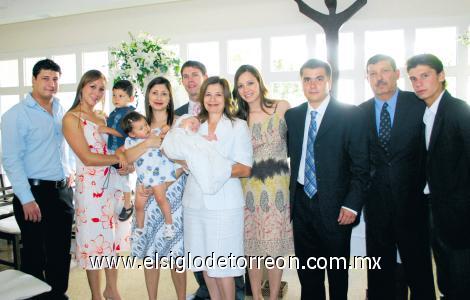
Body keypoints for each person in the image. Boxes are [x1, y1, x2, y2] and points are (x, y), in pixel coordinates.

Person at [284, 58, 369, 300]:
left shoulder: (351, 115)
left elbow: (362, 167)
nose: (313, 85)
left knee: (337, 274)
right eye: (307, 79)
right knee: (308, 274)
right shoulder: (294, 116)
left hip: (337, 206)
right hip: (301, 203)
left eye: (319, 78)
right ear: (301, 82)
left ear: (329, 82)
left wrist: (352, 203)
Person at [360, 54, 435, 299]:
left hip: (414, 204)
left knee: (419, 271)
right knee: (380, 272)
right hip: (377, 206)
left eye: (384, 71)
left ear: (396, 74)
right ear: (368, 78)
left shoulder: (419, 104)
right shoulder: (359, 113)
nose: (379, 78)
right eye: (373, 73)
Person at [1, 59, 74, 299]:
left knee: (61, 254)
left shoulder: (61, 109)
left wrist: (70, 169)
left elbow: (67, 146)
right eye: (45, 78)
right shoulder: (15, 115)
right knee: (35, 257)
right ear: (33, 79)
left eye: (55, 79)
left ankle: (58, 295)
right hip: (34, 195)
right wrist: (26, 199)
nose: (51, 84)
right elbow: (11, 160)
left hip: (62, 192)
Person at [176, 60, 245, 300]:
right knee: (203, 260)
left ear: (226, 98)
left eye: (218, 94)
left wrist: (215, 168)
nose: (213, 99)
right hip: (194, 203)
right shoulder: (195, 126)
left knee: (223, 266)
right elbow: (180, 157)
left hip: (224, 205)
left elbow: (245, 168)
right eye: (209, 95)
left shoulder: (238, 126)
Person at [62, 70, 131, 300]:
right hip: (90, 190)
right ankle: (96, 295)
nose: (97, 92)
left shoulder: (103, 117)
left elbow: (114, 149)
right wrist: (118, 159)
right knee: (94, 242)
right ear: (81, 87)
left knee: (110, 241)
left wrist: (125, 164)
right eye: (92, 86)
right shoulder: (72, 118)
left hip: (111, 186)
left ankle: (112, 289)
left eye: (101, 89)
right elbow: (87, 157)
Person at [407, 53, 470, 299]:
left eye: (425, 76)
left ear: (441, 76)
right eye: (413, 79)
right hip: (434, 207)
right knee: (445, 274)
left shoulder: (458, 110)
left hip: (459, 213)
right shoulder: (426, 113)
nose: (419, 83)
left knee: (462, 277)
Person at [233, 64, 294, 300]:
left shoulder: (282, 107)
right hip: (248, 189)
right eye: (240, 86)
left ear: (259, 82)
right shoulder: (237, 120)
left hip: (278, 186)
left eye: (250, 82)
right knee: (253, 246)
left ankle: (274, 294)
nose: (246, 89)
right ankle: (256, 295)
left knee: (274, 247)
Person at [124, 76, 187, 300]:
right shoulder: (138, 125)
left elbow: (186, 162)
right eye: (154, 93)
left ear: (170, 98)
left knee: (176, 254)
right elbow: (128, 158)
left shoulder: (180, 123)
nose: (159, 98)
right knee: (151, 253)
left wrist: (165, 182)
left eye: (164, 93)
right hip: (145, 195)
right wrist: (147, 143)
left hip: (173, 194)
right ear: (148, 97)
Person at [121, 111, 177, 242]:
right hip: (143, 180)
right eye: (141, 128)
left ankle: (169, 225)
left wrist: (166, 128)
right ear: (132, 134)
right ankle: (139, 228)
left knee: (160, 199)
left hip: (157, 177)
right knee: (138, 206)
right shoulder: (129, 142)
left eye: (146, 124)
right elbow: (124, 155)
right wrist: (122, 160)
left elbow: (166, 130)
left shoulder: (155, 133)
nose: (146, 128)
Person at [161, 114, 232, 194]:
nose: (195, 127)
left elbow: (200, 140)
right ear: (181, 121)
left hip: (187, 156)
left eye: (197, 127)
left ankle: (209, 181)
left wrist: (210, 139)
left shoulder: (193, 136)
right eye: (192, 123)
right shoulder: (176, 132)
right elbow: (166, 143)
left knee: (201, 156)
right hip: (177, 151)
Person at [107, 79, 136, 221]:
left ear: (130, 98)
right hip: (112, 150)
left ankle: (128, 205)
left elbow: (122, 133)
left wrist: (105, 129)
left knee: (124, 178)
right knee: (116, 177)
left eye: (120, 96)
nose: (116, 99)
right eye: (114, 95)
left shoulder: (128, 113)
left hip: (122, 151)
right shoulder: (115, 111)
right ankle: (118, 203)